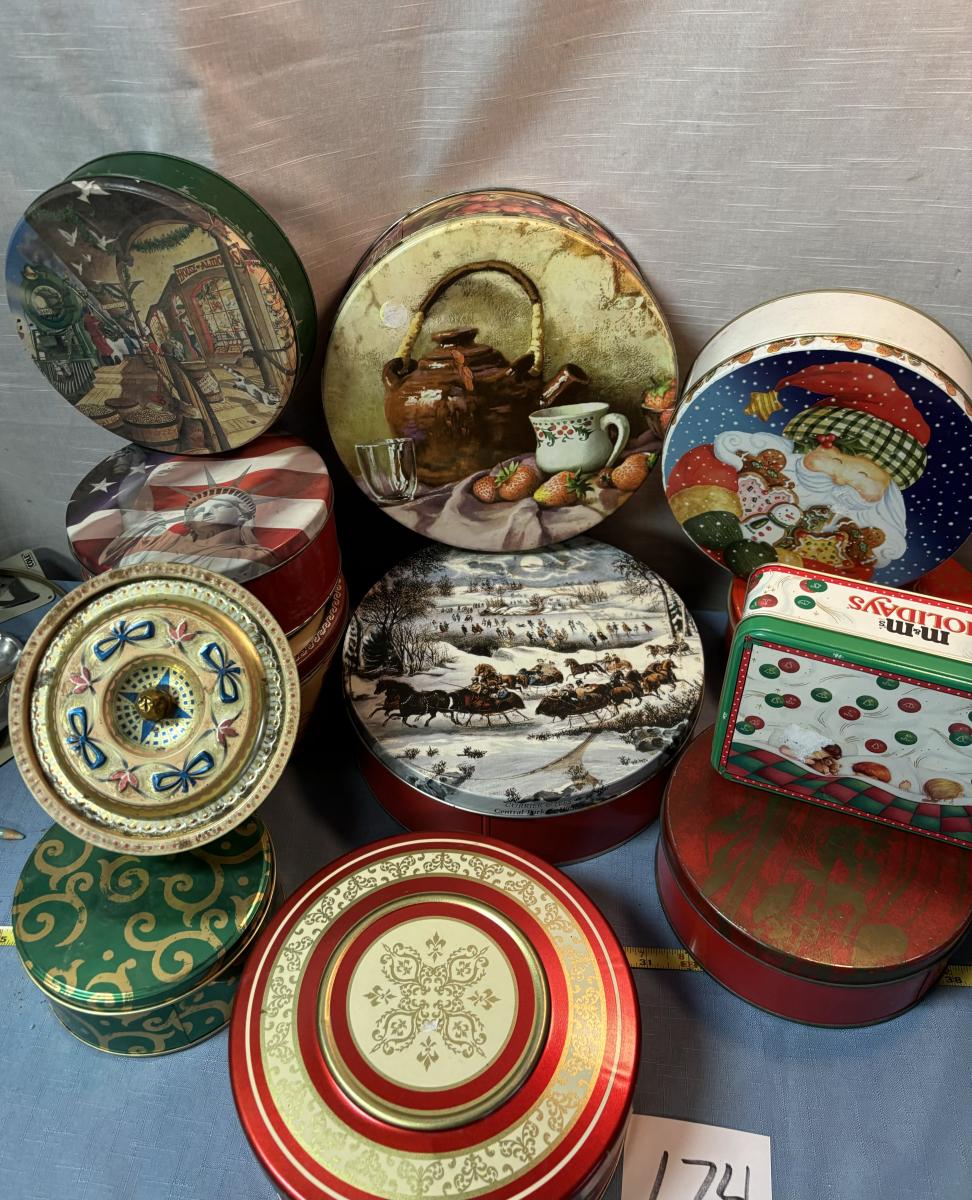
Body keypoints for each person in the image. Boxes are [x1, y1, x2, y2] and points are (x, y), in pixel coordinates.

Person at [666, 361, 929, 579]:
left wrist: (778, 562)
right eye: (835, 462)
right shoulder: (756, 459)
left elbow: (849, 577)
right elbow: (702, 463)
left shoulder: (857, 540)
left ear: (890, 490)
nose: (840, 479)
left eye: (864, 477)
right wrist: (713, 513)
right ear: (810, 445)